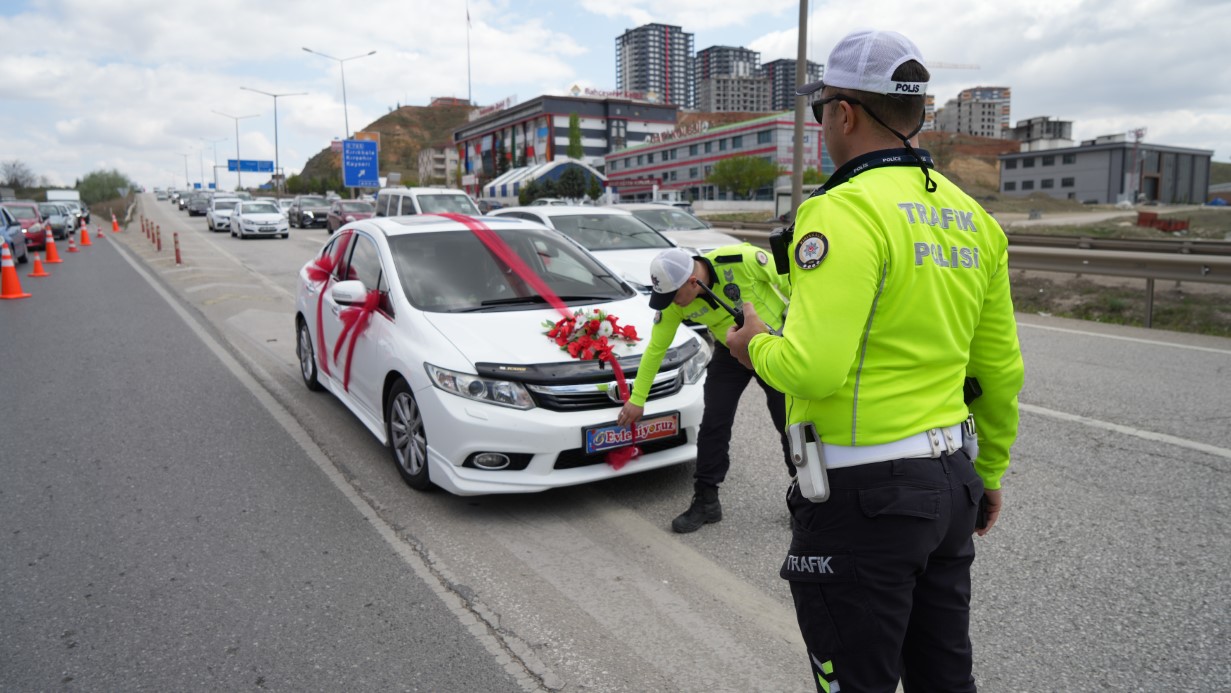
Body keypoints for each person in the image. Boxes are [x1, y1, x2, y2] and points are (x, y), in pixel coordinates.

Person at [725, 29, 1025, 693]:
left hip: (864, 495)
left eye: (818, 110)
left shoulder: (841, 209)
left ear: (844, 112)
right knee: (944, 678)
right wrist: (990, 470)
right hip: (951, 481)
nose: (821, 124)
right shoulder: (973, 219)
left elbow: (810, 368)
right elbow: (999, 369)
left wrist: (752, 346)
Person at [616, 244, 794, 533]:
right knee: (714, 422)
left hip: (775, 345)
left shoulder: (742, 261)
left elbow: (793, 281)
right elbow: (655, 349)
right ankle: (706, 499)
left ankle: (805, 500)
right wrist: (638, 400)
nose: (672, 302)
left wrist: (797, 331)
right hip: (730, 350)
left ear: (692, 281)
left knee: (788, 422)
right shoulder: (675, 302)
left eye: (673, 295)